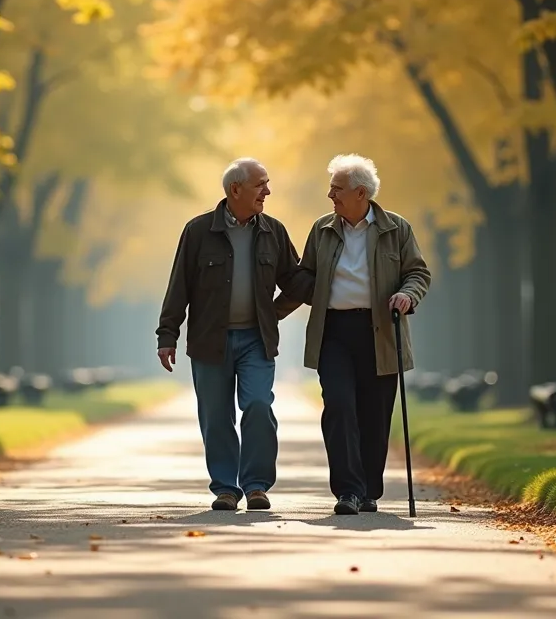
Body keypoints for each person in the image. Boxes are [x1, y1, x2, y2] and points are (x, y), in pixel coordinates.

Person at [156, 157, 314, 512]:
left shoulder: (273, 231)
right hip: (209, 341)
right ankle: (226, 488)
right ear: (235, 189)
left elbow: (295, 280)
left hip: (256, 340)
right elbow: (178, 286)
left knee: (258, 406)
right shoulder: (198, 231)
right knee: (216, 416)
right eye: (261, 185)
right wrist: (167, 335)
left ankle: (256, 485)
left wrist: (278, 310)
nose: (267, 191)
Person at [279, 154, 431, 515]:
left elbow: (418, 273)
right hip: (334, 332)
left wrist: (407, 296)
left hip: (381, 332)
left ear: (360, 193)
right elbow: (305, 277)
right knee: (340, 406)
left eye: (337, 189)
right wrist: (269, 314)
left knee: (374, 415)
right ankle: (347, 490)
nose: (330, 195)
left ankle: (368, 492)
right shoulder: (322, 229)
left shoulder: (397, 228)